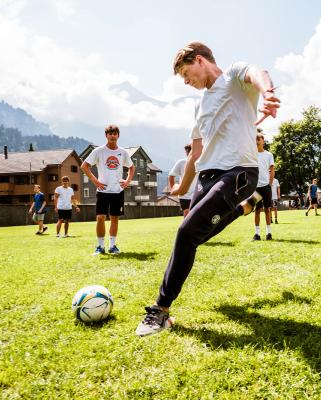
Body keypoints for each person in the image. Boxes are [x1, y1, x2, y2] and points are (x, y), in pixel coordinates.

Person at [135, 41, 280, 336]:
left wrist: (269, 94)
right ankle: (244, 208)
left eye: (187, 75)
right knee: (195, 236)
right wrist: (181, 188)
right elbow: (195, 154)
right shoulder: (200, 105)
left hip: (238, 172)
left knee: (185, 233)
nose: (187, 83)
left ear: (200, 60)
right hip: (206, 177)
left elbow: (258, 72)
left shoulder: (235, 77)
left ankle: (160, 311)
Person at [81, 124, 135, 255]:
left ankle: (112, 246)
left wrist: (127, 181)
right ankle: (100, 247)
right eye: (110, 133)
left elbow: (132, 167)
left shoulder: (123, 152)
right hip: (103, 191)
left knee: (114, 219)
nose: (112, 135)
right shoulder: (99, 151)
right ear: (106, 136)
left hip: (117, 191)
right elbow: (84, 166)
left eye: (115, 133)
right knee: (100, 217)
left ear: (118, 135)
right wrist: (95, 181)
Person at [252, 132, 274, 240]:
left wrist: (270, 184)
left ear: (263, 141)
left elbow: (272, 170)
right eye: (255, 139)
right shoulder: (252, 154)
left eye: (258, 139)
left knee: (267, 210)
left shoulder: (269, 155)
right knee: (256, 211)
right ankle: (257, 234)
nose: (256, 141)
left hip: (266, 186)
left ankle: (269, 233)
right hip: (255, 187)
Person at [169, 144, 198, 218]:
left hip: (197, 194)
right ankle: (187, 229)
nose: (188, 153)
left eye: (189, 151)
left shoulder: (200, 162)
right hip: (184, 195)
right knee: (187, 215)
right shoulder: (181, 162)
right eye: (187, 151)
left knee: (196, 216)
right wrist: (173, 188)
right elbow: (171, 175)